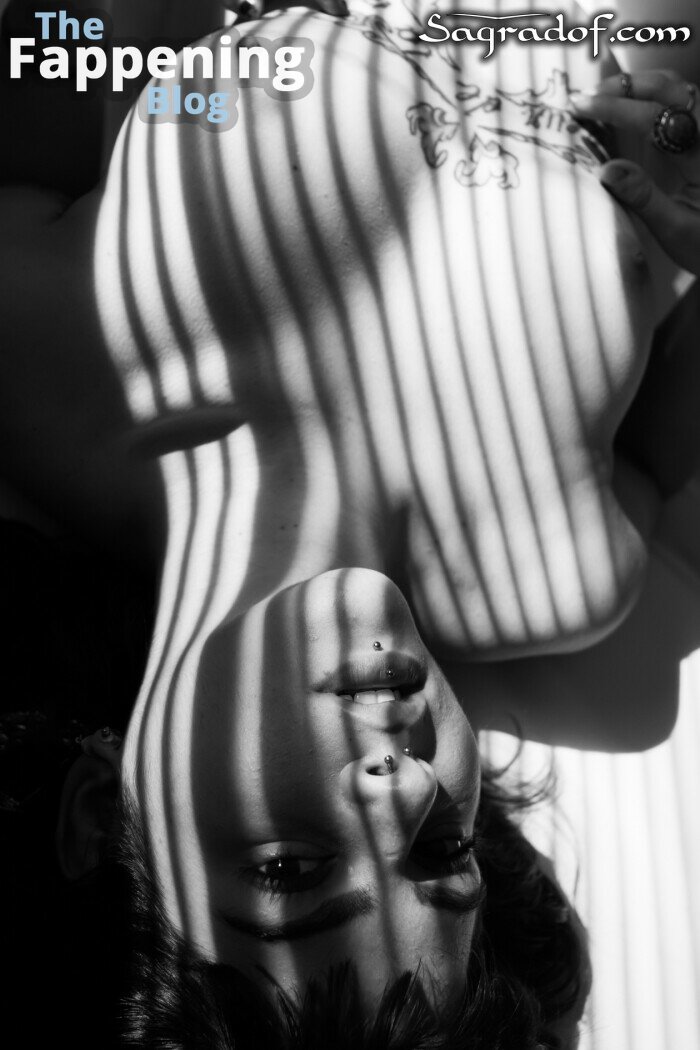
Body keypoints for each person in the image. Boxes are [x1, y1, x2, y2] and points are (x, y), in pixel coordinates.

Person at [1, 0, 700, 1045]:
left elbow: (65, 43)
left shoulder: (42, 352)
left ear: (101, 816)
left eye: (292, 871)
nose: (404, 787)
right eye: (440, 853)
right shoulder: (555, 580)